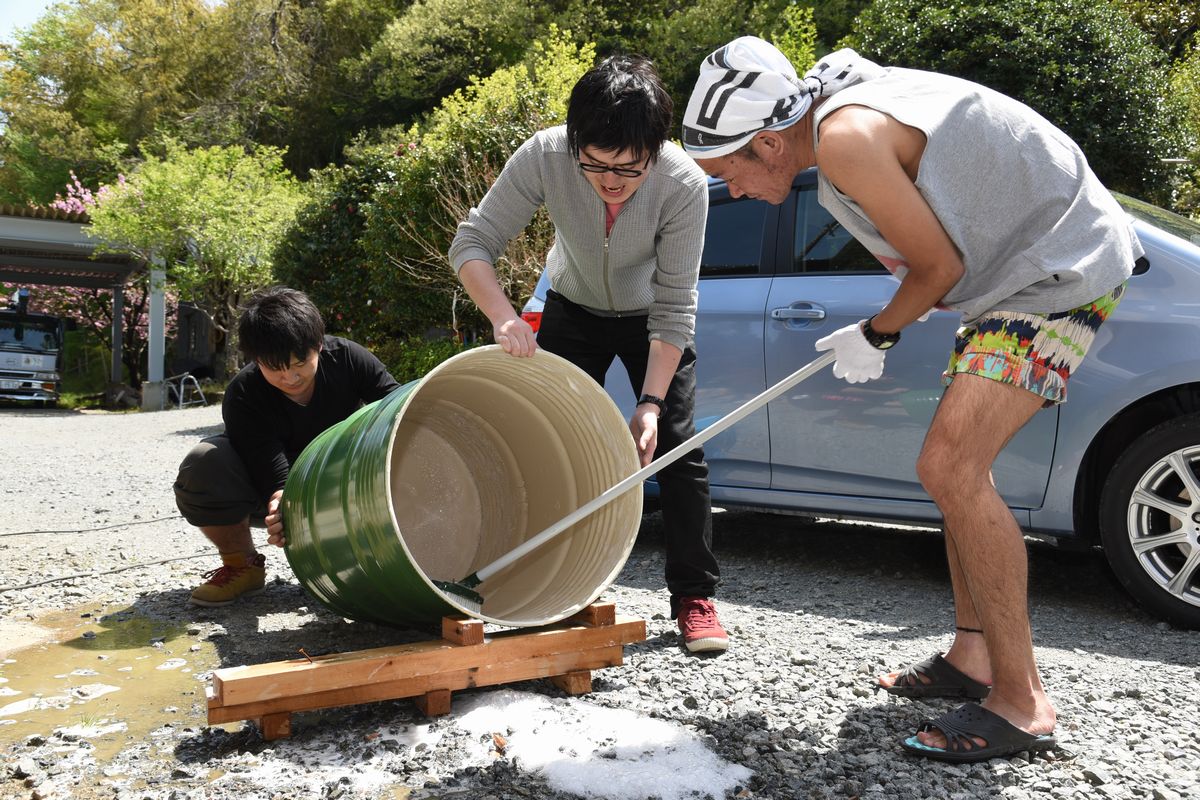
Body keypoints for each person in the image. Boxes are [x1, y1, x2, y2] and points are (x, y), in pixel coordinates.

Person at [683, 38, 1141, 759]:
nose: (731, 192)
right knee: (955, 471)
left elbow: (938, 265)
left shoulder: (841, 138)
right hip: (1013, 277)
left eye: (727, 173)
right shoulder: (833, 123)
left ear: (770, 143)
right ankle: (973, 656)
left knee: (951, 468)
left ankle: (1023, 702)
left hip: (1058, 269)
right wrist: (882, 326)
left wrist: (876, 332)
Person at [448, 55, 728, 653]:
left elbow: (677, 304)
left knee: (676, 447)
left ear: (655, 148)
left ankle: (695, 597)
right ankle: (536, 584)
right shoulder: (546, 155)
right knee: (543, 441)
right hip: (571, 308)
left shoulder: (682, 183)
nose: (608, 180)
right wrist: (503, 317)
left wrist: (650, 401)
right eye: (594, 164)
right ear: (576, 141)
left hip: (650, 316)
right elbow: (472, 242)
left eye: (627, 169)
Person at [173, 286, 400, 606]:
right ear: (255, 360)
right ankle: (243, 566)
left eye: (300, 363)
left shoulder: (349, 358)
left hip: (346, 482)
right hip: (273, 494)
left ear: (318, 345)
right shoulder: (243, 394)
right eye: (275, 368)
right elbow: (271, 469)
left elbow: (400, 414)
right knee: (204, 462)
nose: (291, 377)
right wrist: (287, 507)